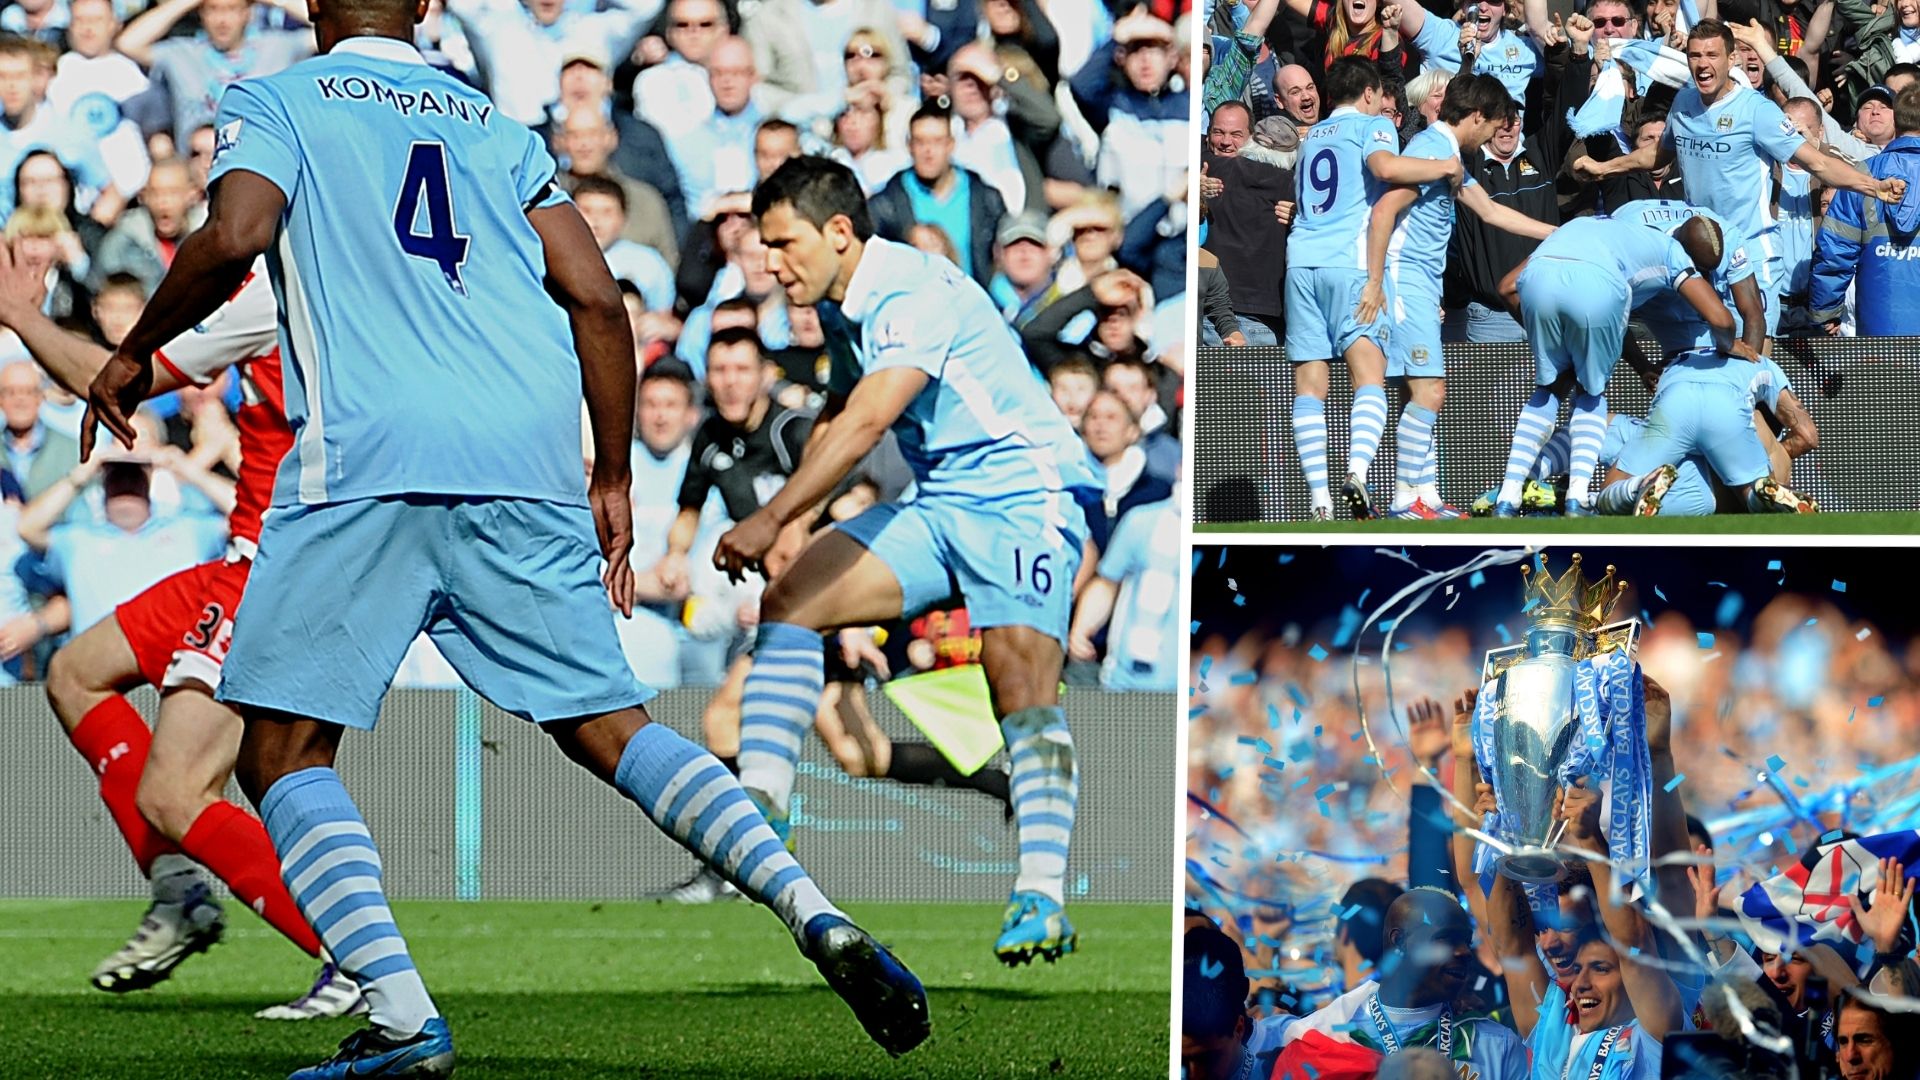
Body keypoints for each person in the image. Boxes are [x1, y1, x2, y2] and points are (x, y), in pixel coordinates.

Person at [87, 7, 929, 1074]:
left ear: (309, 5)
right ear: (429, 8)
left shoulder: (277, 98)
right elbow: (593, 293)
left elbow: (236, 234)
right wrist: (612, 473)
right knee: (613, 728)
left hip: (370, 458)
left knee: (281, 752)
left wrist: (133, 348)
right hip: (526, 466)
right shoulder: (493, 122)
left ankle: (400, 1018)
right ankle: (813, 910)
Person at [716, 155, 1099, 966]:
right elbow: (837, 411)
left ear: (840, 232)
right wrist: (796, 525)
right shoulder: (849, 302)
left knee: (1017, 686)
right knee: (793, 598)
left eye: (784, 244)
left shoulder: (910, 290)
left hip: (1024, 494)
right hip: (943, 501)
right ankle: (761, 808)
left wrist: (773, 515)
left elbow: (868, 423)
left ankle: (1041, 892)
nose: (771, 262)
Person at [0, 248, 362, 1018]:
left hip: (271, 566)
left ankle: (350, 957)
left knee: (175, 792)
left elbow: (120, 383)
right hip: (243, 551)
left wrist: (24, 318)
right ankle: (181, 890)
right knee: (75, 672)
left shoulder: (276, 291)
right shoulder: (325, 277)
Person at [1574, 19, 1908, 346]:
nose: (1703, 65)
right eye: (1695, 56)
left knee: (1754, 364)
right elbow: (1657, 156)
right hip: (1701, 254)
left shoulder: (1757, 111)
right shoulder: (1685, 102)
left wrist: (1874, 186)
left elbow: (1817, 162)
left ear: (1731, 59)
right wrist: (1606, 168)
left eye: (1712, 55)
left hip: (1752, 255)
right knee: (1708, 359)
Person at [1365, 73, 1554, 520]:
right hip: (1405, 277)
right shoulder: (1433, 150)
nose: (1494, 134)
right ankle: (1404, 500)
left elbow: (1490, 211)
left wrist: (1562, 234)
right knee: (1430, 391)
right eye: (1492, 124)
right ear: (1475, 117)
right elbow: (1385, 210)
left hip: (1421, 283)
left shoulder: (1448, 154)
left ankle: (1424, 498)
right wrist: (1377, 282)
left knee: (1421, 393)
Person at [1282, 56, 1461, 521]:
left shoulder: (1310, 139)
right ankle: (1358, 472)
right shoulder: (1371, 126)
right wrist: (1442, 166)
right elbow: (1383, 167)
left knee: (1310, 383)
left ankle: (1320, 503)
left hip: (1300, 263)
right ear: (1369, 94)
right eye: (1381, 96)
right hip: (1350, 264)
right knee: (1370, 376)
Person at [1489, 215, 1740, 516]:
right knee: (1589, 393)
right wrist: (1730, 344)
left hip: (1539, 279)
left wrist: (1558, 346)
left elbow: (1506, 288)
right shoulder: (1672, 249)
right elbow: (1720, 319)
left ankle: (1507, 495)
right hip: (1598, 287)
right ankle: (1578, 497)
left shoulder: (1595, 222)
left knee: (1550, 388)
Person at [1270, 887, 1531, 1076]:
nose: (1464, 952)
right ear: (1400, 942)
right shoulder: (1324, 1041)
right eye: (1447, 938)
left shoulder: (1499, 1046)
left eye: (1466, 941)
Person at [1811, 84, 1920, 335]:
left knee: (1881, 375)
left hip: (1878, 322)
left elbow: (1835, 250)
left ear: (1897, 123)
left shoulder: (1864, 173)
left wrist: (1826, 310)